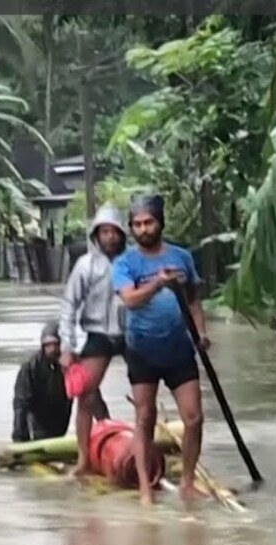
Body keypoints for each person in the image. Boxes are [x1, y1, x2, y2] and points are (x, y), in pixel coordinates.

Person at [111, 194, 210, 505]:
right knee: (145, 418)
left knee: (194, 418)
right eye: (137, 224)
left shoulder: (182, 257)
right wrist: (158, 284)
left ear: (160, 223)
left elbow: (193, 300)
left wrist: (201, 333)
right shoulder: (125, 263)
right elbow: (129, 300)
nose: (143, 229)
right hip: (141, 350)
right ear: (131, 228)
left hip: (179, 348)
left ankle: (187, 483)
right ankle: (144, 489)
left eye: (149, 222)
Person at [57, 204, 129, 477]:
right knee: (86, 395)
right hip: (98, 333)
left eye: (114, 231)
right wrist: (67, 346)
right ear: (96, 235)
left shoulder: (130, 262)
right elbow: (69, 305)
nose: (110, 237)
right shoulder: (85, 265)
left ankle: (139, 444)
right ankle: (84, 459)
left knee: (146, 391)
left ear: (122, 234)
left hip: (129, 332)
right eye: (104, 232)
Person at [11, 321, 73, 442]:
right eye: (48, 345)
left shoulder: (70, 366)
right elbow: (21, 403)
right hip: (39, 418)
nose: (52, 349)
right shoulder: (30, 367)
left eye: (56, 344)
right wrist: (19, 436)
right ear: (42, 346)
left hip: (61, 418)